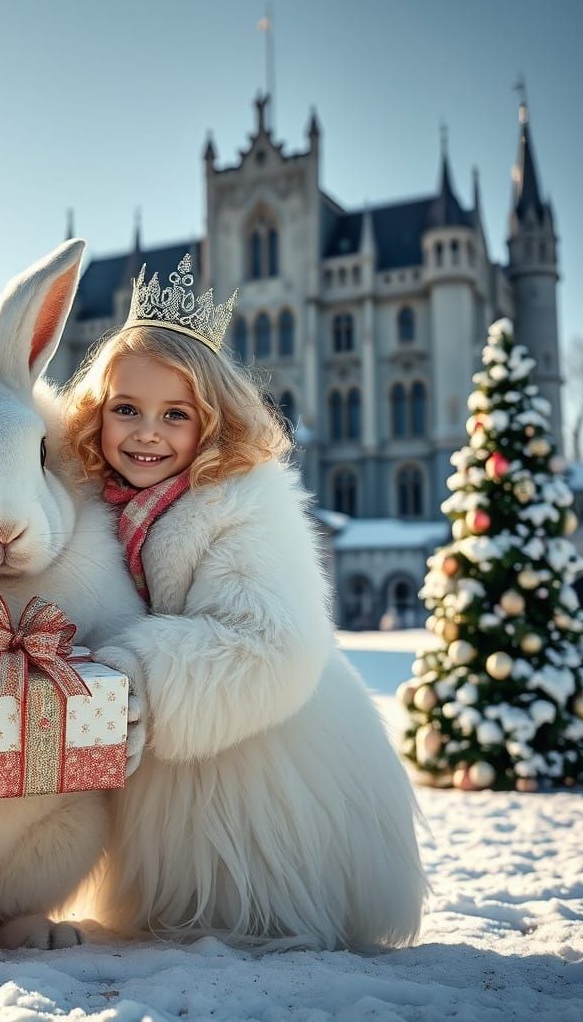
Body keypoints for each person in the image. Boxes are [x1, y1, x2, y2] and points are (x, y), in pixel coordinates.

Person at [62, 255, 426, 951]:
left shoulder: (244, 502)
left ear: (212, 421)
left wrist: (136, 666)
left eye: (176, 415)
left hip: (263, 770)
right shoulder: (91, 505)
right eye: (126, 410)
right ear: (96, 414)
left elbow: (271, 643)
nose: (147, 433)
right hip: (154, 765)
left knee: (230, 910)